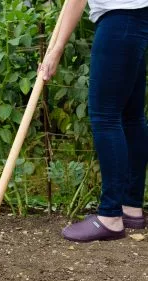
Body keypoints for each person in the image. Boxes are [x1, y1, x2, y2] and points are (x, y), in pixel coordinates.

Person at [40, 0, 148, 242]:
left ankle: (110, 217)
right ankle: (131, 208)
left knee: (105, 117)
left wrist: (55, 52)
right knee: (131, 117)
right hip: (138, 16)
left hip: (118, 21)